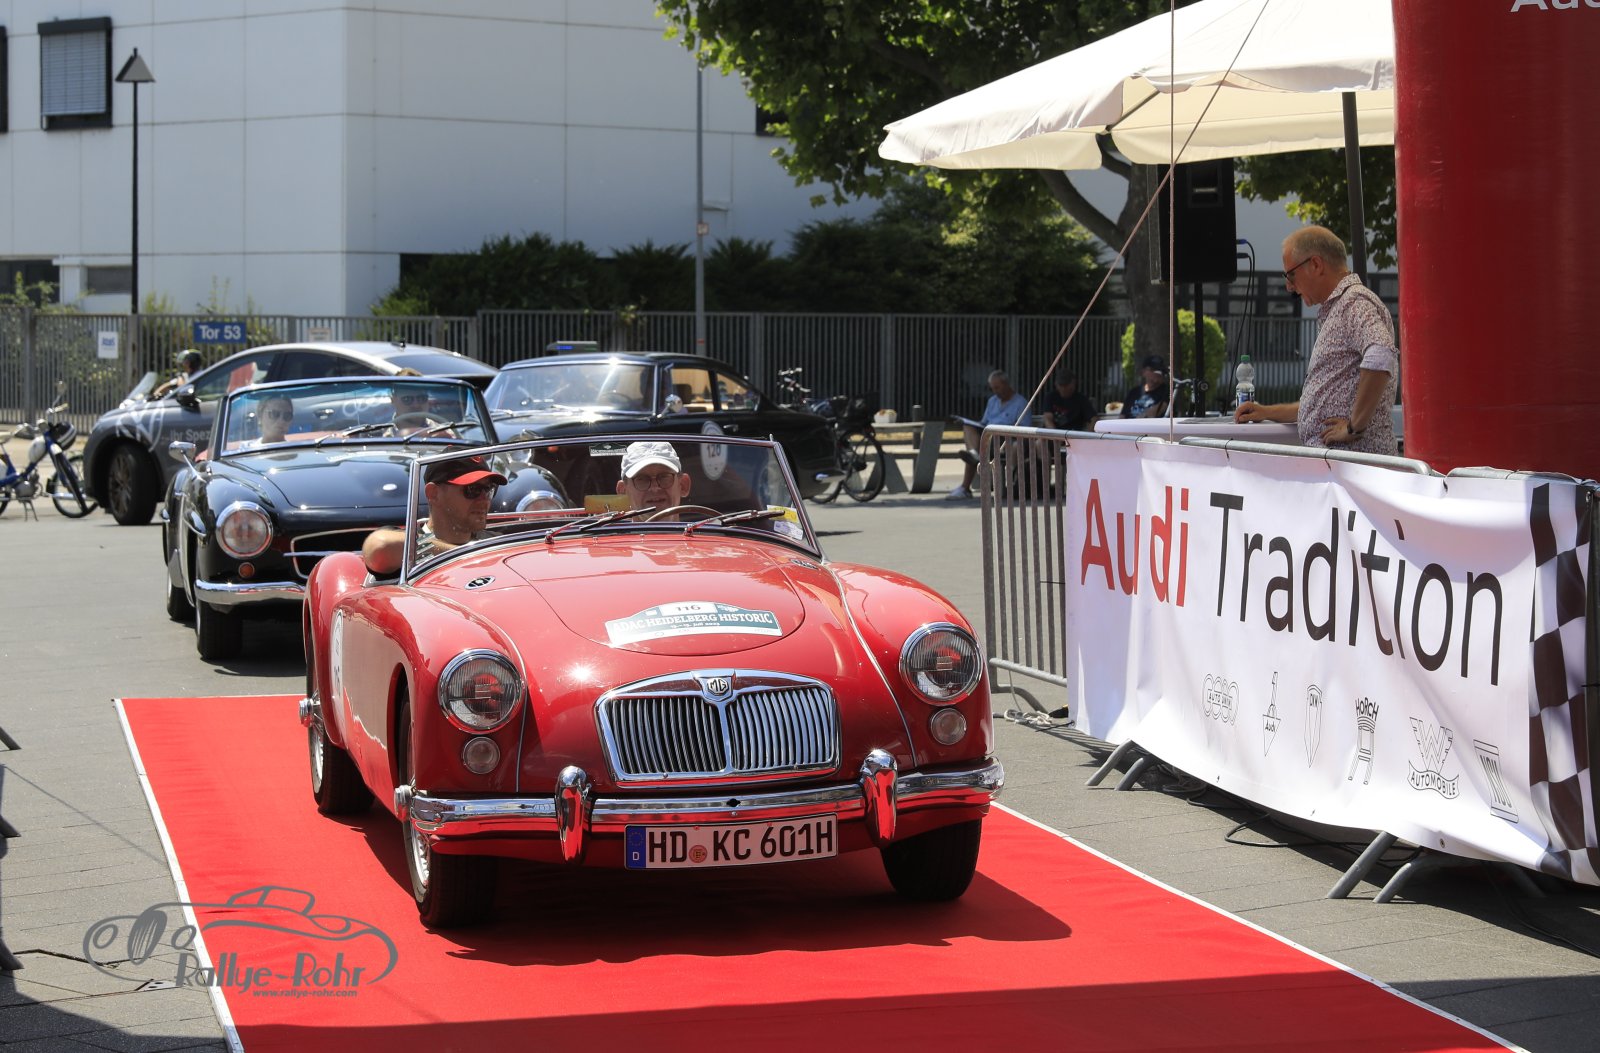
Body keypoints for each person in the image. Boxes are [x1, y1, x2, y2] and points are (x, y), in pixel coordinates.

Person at [1233, 225, 1398, 455]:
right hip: (1345, 463)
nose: (1289, 286)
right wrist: (1266, 411)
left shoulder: (1353, 302)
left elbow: (1381, 355)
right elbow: (1321, 405)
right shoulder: (1342, 306)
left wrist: (1354, 426)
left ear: (1316, 265)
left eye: (1290, 275)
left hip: (1353, 463)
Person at [361, 455, 507, 574]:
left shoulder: (497, 542)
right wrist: (465, 556)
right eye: (473, 489)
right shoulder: (406, 549)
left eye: (489, 490)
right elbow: (380, 546)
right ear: (433, 493)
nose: (484, 500)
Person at [949, 370, 1029, 499]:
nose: (995, 391)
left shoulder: (1020, 403)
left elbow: (1025, 428)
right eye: (993, 388)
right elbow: (984, 422)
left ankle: (966, 482)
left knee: (979, 446)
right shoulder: (992, 401)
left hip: (1005, 440)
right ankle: (974, 454)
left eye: (997, 387)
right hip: (988, 437)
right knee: (968, 427)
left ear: (1006, 384)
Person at [615, 441, 692, 513]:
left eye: (664, 477)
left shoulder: (699, 523)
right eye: (642, 479)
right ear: (623, 491)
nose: (654, 488)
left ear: (683, 485)